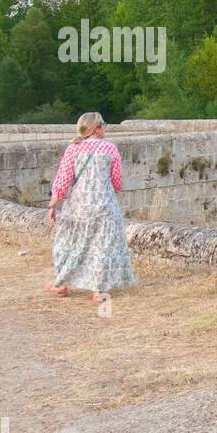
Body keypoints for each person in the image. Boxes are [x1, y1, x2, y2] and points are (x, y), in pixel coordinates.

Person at [43, 112, 135, 301]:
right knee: (101, 246)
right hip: (105, 207)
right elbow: (117, 183)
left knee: (69, 243)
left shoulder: (73, 149)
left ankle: (60, 284)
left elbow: (63, 179)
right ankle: (98, 291)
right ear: (96, 128)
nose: (106, 127)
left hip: (78, 207)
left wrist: (53, 205)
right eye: (104, 124)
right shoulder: (110, 149)